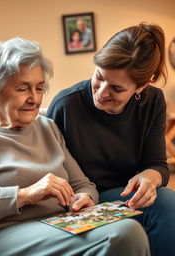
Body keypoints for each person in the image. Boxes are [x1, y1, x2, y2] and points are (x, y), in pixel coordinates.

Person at [0, 38, 150, 256]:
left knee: (131, 225)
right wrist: (25, 195)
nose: (34, 99)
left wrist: (85, 198)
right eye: (23, 88)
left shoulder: (47, 127)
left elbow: (83, 184)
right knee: (123, 233)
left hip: (59, 227)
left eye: (40, 88)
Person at [47, 22, 175, 256]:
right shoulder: (66, 105)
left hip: (125, 197)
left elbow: (157, 164)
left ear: (142, 86)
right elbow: (48, 171)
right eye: (99, 77)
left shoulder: (152, 101)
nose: (102, 92)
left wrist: (151, 176)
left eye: (116, 88)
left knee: (166, 201)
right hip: (81, 200)